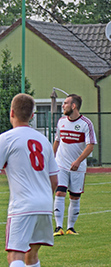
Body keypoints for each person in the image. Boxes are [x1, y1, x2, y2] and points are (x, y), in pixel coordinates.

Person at [0, 93, 58, 267]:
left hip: (23, 207)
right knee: (32, 254)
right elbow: (55, 181)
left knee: (14, 254)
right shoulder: (43, 140)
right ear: (33, 116)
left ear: (11, 113)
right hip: (45, 204)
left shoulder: (6, 138)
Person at [52, 94, 96, 236]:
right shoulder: (61, 121)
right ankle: (58, 227)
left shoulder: (86, 124)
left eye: (65, 103)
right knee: (59, 192)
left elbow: (90, 145)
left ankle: (71, 228)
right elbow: (57, 141)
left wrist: (78, 161)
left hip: (78, 167)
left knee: (75, 197)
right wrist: (51, 158)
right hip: (61, 165)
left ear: (73, 106)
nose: (63, 106)